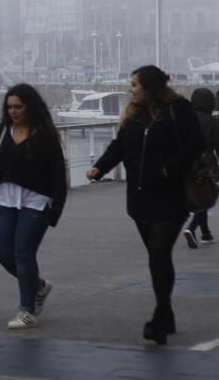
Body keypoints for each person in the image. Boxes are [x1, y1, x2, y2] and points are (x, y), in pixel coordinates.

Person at [87, 65, 205, 344]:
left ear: (150, 86)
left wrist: (169, 168)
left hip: (171, 195)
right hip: (139, 198)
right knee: (156, 256)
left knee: (159, 254)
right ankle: (166, 313)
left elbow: (195, 143)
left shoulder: (178, 110)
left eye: (135, 84)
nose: (131, 89)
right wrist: (99, 168)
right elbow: (119, 147)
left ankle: (160, 317)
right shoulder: (133, 115)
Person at [0, 84, 67, 329]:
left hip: (36, 201)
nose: (13, 111)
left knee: (23, 253)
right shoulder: (3, 130)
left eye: (18, 107)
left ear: (29, 107)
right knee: (2, 252)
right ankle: (39, 286)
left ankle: (27, 310)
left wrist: (55, 209)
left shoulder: (44, 134)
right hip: (6, 198)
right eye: (9, 107)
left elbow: (57, 174)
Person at [185, 88, 219, 247]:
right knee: (207, 198)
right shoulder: (214, 122)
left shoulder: (185, 120)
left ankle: (206, 233)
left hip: (185, 164)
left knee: (202, 198)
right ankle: (191, 228)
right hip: (205, 166)